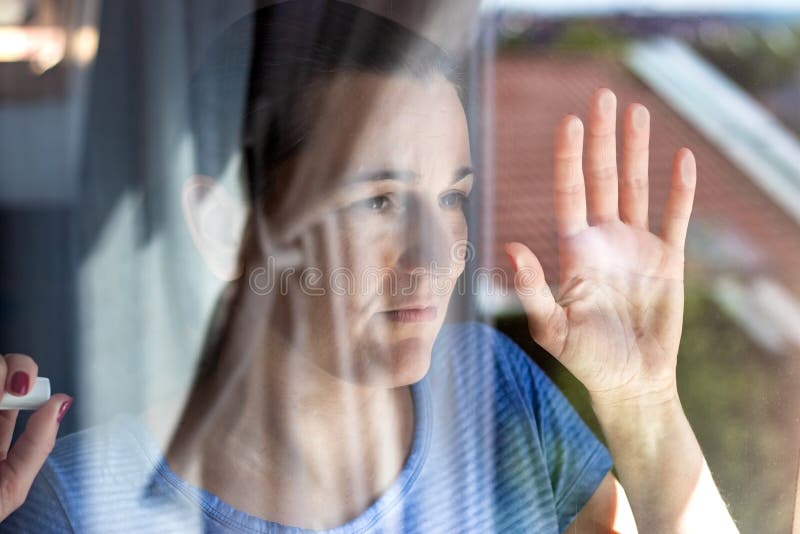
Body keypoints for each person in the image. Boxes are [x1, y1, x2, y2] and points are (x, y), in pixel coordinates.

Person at [0, 1, 738, 532]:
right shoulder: (76, 503)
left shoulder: (491, 387)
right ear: (226, 225)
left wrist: (645, 402)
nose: (438, 257)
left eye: (451, 198)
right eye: (378, 201)